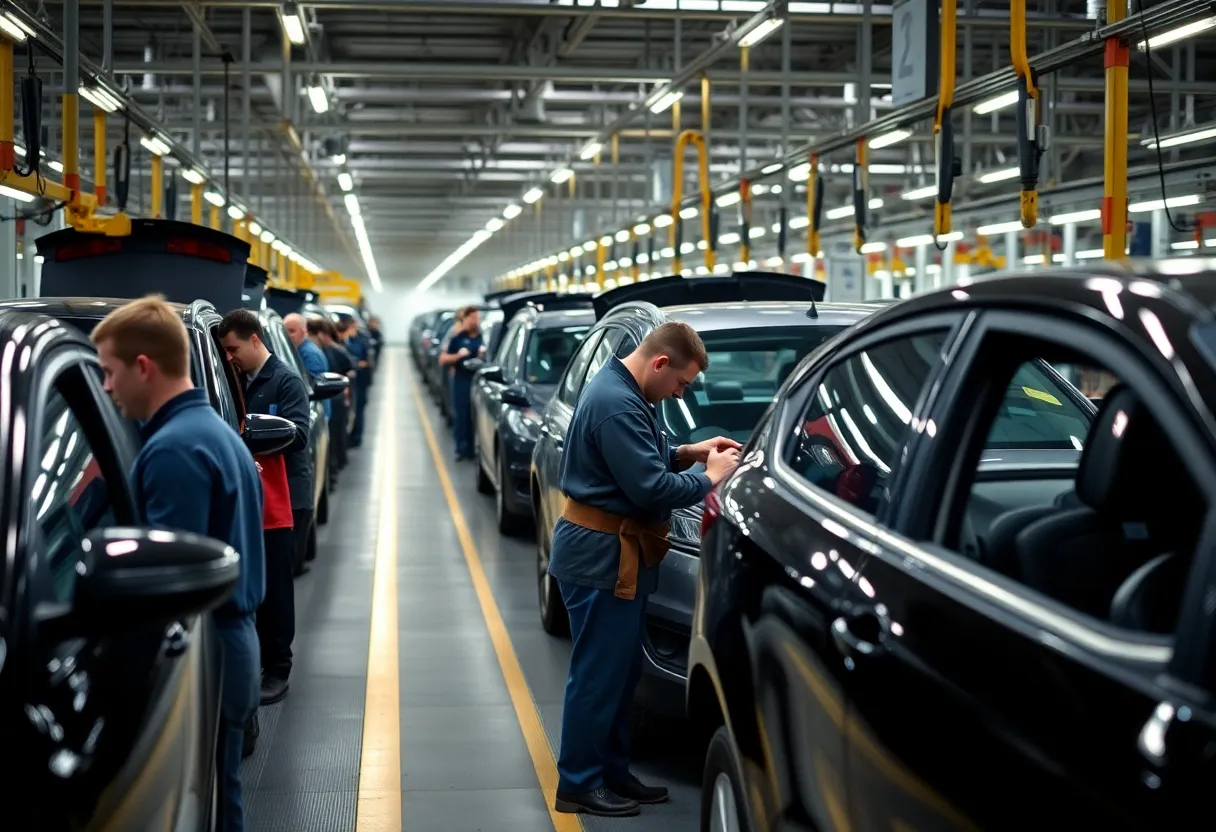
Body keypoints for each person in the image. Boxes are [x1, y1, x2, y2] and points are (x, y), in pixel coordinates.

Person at [548, 322, 741, 818]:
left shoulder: (627, 391)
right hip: (600, 555)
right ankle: (578, 783)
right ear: (660, 363)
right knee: (597, 674)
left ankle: (611, 772)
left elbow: (641, 457)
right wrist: (707, 477)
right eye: (681, 383)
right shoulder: (615, 402)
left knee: (620, 671)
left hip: (616, 554)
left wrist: (688, 453)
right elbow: (650, 489)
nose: (681, 393)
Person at [91, 295, 264, 832]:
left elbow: (170, 592)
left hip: (205, 651)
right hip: (232, 640)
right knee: (219, 796)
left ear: (143, 367)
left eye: (110, 372)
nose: (107, 387)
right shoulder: (211, 430)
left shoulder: (175, 450)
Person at [219, 308, 311, 702]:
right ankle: (253, 659)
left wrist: (250, 434)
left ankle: (278, 668)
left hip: (284, 498)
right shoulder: (231, 379)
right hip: (248, 499)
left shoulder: (285, 381)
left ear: (255, 339)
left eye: (234, 348)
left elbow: (300, 436)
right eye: (224, 351)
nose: (229, 357)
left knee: (276, 588)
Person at [311, 316, 354, 483]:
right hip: (331, 397)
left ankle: (336, 467)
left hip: (334, 397)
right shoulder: (321, 350)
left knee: (335, 434)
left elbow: (350, 370)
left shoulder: (329, 351)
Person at [441, 305, 486, 461]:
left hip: (479, 381)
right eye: (472, 318)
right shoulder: (457, 338)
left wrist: (482, 355)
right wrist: (458, 356)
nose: (475, 321)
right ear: (465, 319)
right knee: (462, 415)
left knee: (475, 416)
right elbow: (443, 359)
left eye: (477, 318)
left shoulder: (483, 338)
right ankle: (461, 448)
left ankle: (474, 449)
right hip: (462, 380)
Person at [285, 312, 331, 421]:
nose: (287, 335)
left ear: (303, 332)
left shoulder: (310, 354)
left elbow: (311, 388)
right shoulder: (296, 351)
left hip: (315, 416)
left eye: (292, 331)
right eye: (285, 331)